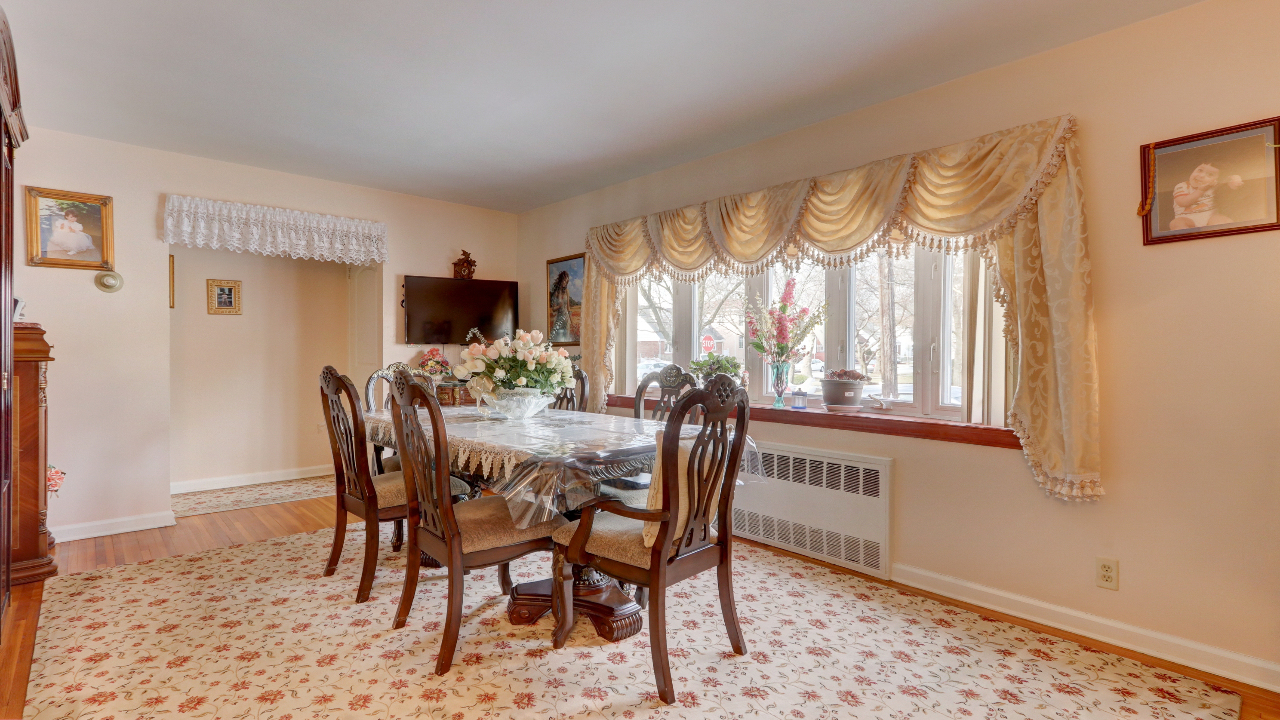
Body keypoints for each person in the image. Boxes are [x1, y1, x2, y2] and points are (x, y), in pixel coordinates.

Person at [1169, 162, 1243, 231]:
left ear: (1216, 181)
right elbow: (1182, 202)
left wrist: (1234, 182)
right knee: (1176, 223)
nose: (1201, 176)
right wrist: (1201, 190)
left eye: (1210, 175)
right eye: (1200, 170)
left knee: (1224, 221)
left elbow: (1229, 189)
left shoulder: (1215, 186)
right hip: (1186, 217)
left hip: (1210, 217)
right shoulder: (1182, 186)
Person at [549, 270, 572, 342]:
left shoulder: (567, 291)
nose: (565, 283)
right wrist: (559, 306)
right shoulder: (556, 293)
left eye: (566, 282)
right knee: (558, 339)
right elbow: (553, 309)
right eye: (564, 281)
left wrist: (571, 320)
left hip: (566, 318)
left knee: (567, 339)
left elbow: (568, 307)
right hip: (559, 319)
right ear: (561, 280)